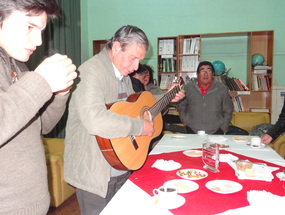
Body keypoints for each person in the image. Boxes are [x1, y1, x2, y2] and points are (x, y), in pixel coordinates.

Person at [64, 25, 185, 215]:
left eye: (140, 60)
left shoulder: (123, 75)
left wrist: (166, 97)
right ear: (117, 47)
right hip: (96, 172)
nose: (136, 67)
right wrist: (139, 126)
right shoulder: (89, 72)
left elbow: (134, 109)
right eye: (133, 58)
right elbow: (95, 120)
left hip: (122, 163)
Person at [0, 0, 77, 214]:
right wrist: (40, 82)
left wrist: (59, 95)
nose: (39, 41)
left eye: (41, 30)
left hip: (33, 205)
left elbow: (40, 126)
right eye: (29, 27)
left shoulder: (16, 64)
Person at [178, 61, 233, 134]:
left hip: (216, 131)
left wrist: (223, 128)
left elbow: (228, 110)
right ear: (197, 74)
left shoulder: (222, 88)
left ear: (213, 74)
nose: (205, 74)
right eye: (202, 71)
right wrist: (183, 119)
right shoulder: (188, 88)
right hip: (191, 130)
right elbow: (181, 106)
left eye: (209, 71)